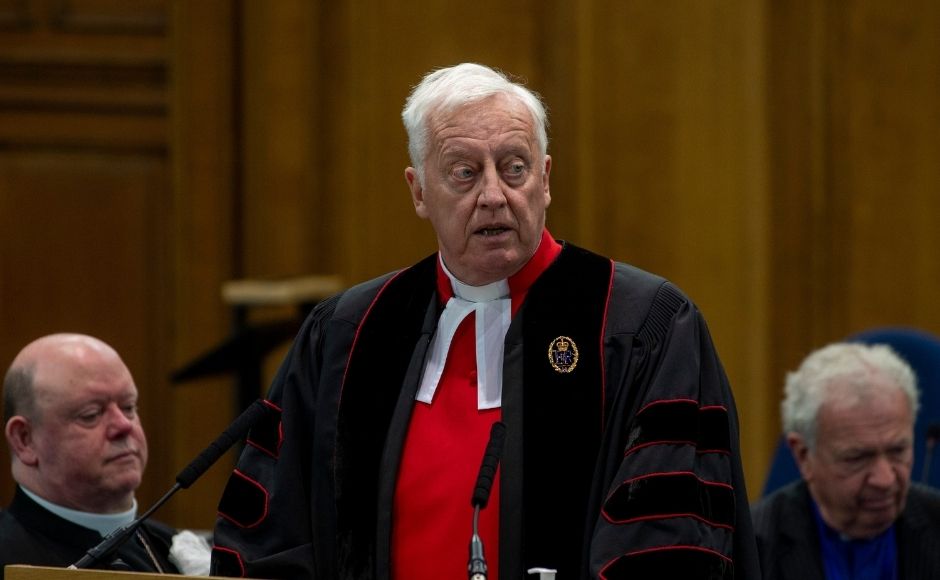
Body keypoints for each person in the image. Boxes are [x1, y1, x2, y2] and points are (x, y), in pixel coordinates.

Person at [211, 62, 760, 580]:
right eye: (465, 173)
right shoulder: (350, 333)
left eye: (514, 168)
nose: (494, 195)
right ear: (418, 190)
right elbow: (274, 538)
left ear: (544, 179)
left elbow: (669, 541)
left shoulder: (642, 326)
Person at [751, 342, 940, 579]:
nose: (885, 479)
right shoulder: (750, 548)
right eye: (857, 457)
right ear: (803, 455)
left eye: (897, 451)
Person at [0, 333, 180, 578]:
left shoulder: (176, 550)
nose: (123, 426)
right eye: (91, 414)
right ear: (25, 439)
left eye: (128, 408)